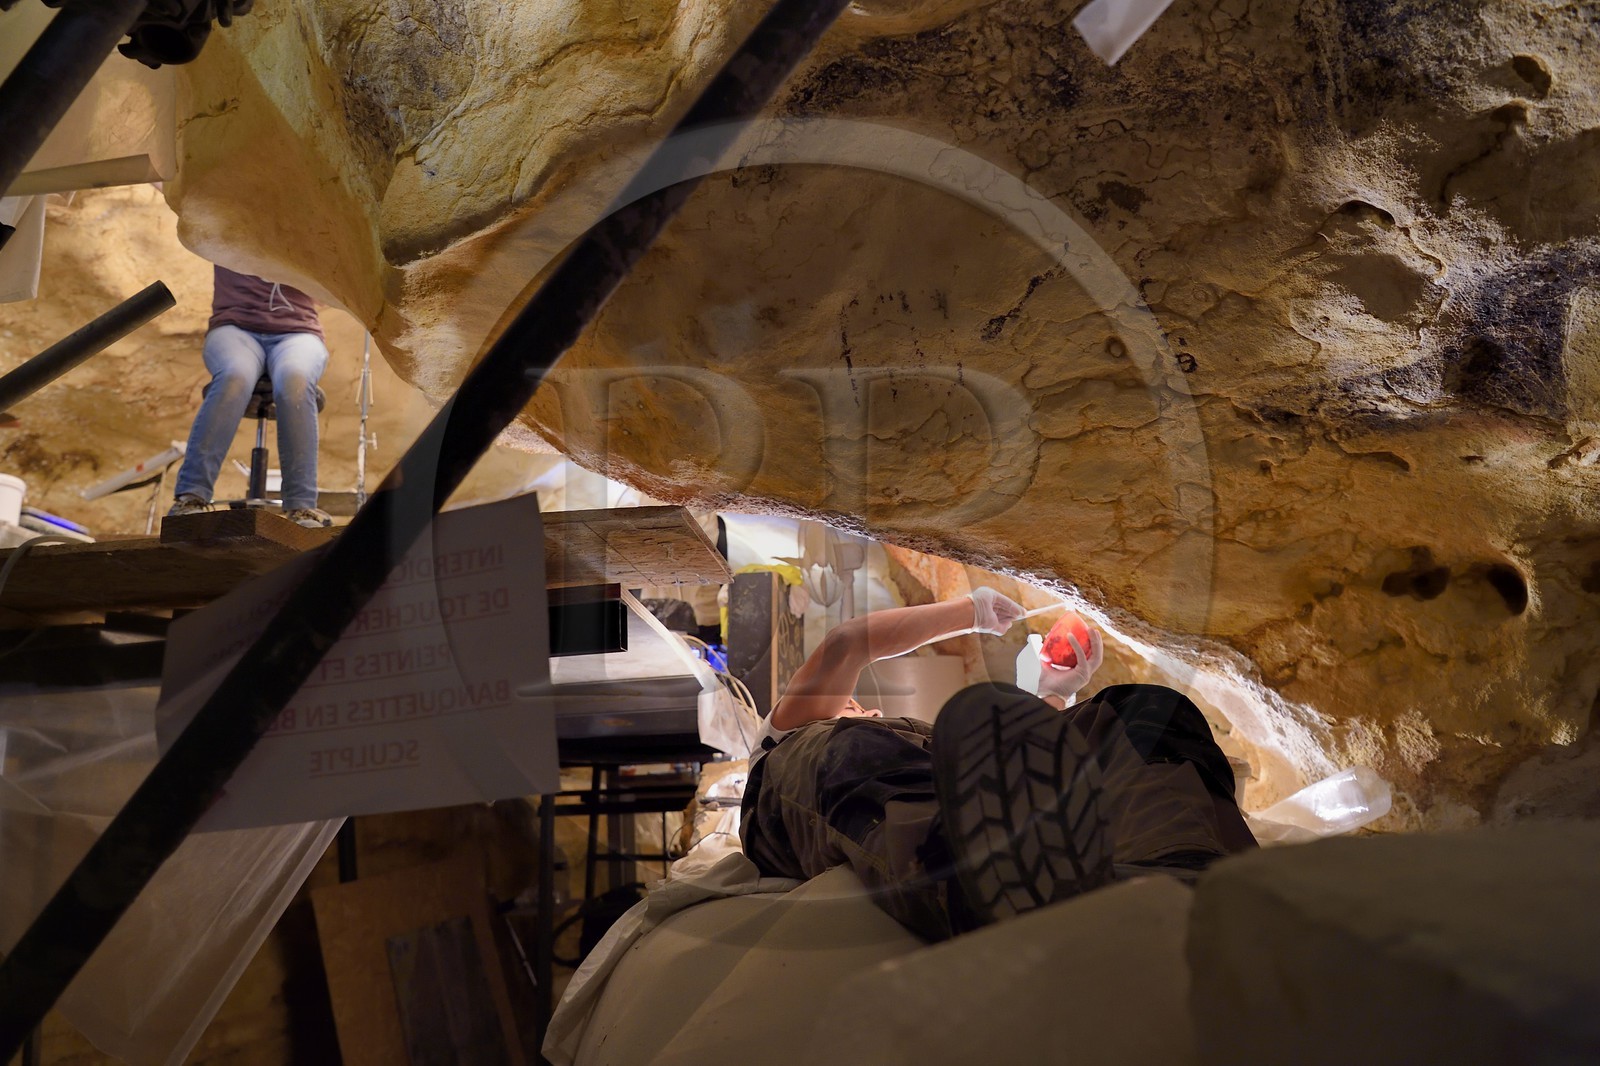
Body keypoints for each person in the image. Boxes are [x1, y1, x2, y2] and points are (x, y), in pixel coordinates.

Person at [739, 588, 1257, 942]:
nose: (861, 705)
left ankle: (1195, 871)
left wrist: (1053, 695)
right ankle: (994, 897)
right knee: (860, 749)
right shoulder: (792, 736)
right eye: (853, 703)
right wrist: (973, 611)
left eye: (861, 707)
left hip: (951, 792)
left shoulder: (913, 741)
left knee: (1140, 713)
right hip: (841, 787)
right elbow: (848, 643)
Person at [168, 265, 331, 527]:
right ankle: (192, 496)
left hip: (298, 332)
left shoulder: (310, 231)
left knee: (295, 380)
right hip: (235, 328)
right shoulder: (233, 223)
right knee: (235, 375)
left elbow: (332, 290)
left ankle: (302, 506)